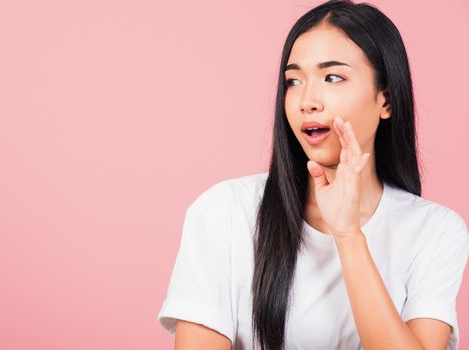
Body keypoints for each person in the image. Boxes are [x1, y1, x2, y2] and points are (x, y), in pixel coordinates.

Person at [156, 0, 469, 349]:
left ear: (386, 100)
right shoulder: (224, 211)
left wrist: (348, 235)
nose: (307, 101)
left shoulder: (435, 231)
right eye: (293, 80)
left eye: (332, 77)